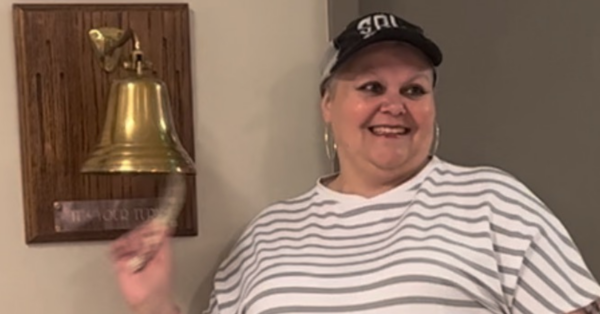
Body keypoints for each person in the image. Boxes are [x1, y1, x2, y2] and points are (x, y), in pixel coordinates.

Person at [110, 12, 600, 314]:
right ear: (327, 104)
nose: (395, 105)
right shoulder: (267, 234)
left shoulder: (494, 202)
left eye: (414, 89)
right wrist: (152, 303)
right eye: (370, 87)